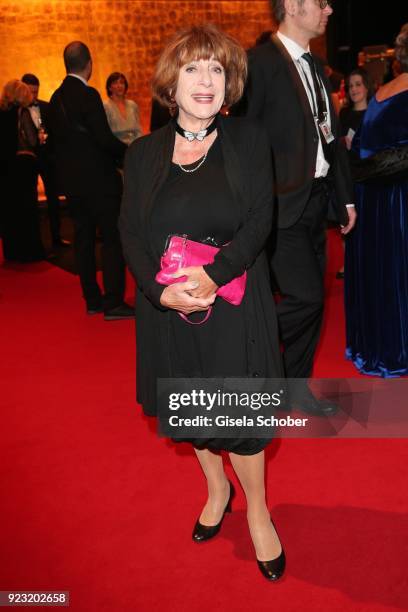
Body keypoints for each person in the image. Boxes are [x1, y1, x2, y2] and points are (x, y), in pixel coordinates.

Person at [119, 24, 286, 581]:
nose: (206, 80)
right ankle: (216, 489)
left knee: (237, 415)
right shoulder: (143, 153)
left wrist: (213, 276)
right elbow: (129, 233)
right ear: (171, 84)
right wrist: (157, 290)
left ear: (229, 81)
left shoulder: (247, 139)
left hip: (233, 300)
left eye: (216, 69)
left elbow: (262, 219)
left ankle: (258, 511)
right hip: (169, 307)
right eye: (193, 68)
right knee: (192, 406)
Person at [242, 0, 356, 415]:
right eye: (321, 3)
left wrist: (345, 197)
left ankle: (294, 389)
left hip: (316, 204)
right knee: (306, 299)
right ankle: (245, 347)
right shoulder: (258, 63)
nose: (329, 10)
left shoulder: (318, 67)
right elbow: (242, 137)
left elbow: (332, 138)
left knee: (316, 302)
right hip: (277, 206)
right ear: (292, 6)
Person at [48, 41, 134, 320]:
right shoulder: (88, 95)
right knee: (112, 239)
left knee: (83, 241)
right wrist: (130, 152)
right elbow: (104, 139)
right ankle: (113, 302)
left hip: (72, 184)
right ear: (89, 64)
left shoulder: (54, 99)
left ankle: (92, 300)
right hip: (100, 181)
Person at [344, 23, 408, 377]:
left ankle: (383, 345)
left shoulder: (385, 90)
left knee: (387, 271)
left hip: (375, 196)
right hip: (399, 196)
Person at [21, 73, 71, 249]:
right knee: (30, 200)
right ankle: (35, 242)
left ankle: (56, 237)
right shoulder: (17, 110)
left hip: (47, 157)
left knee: (53, 198)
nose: (33, 96)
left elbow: (56, 133)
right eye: (30, 92)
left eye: (36, 92)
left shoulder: (46, 106)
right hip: (26, 161)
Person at [0, 79, 45, 262]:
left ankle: (12, 252)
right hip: (23, 165)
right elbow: (33, 140)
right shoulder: (22, 112)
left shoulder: (1, 113)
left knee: (10, 209)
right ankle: (30, 251)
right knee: (27, 210)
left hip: (5, 167)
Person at [336, 68, 373, 279]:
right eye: (350, 86)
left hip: (369, 174)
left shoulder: (375, 111)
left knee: (367, 220)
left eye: (358, 84)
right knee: (346, 220)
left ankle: (368, 260)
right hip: (349, 173)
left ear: (367, 86)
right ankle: (348, 262)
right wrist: (343, 143)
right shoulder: (345, 114)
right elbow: (336, 142)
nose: (354, 89)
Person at [103, 72, 142, 145]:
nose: (119, 86)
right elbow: (105, 133)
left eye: (122, 83)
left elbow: (138, 130)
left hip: (134, 146)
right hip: (115, 147)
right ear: (109, 87)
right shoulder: (105, 106)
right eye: (115, 83)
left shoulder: (132, 105)